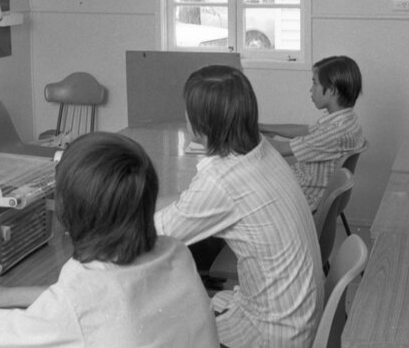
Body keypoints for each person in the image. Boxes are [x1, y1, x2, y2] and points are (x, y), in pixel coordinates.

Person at [0, 132, 219, 348]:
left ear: (69, 210)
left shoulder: (81, 292)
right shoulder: (176, 254)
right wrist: (1, 296)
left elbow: (82, 303)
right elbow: (102, 302)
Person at [155, 65, 323, 348]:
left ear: (200, 120)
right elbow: (183, 207)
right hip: (297, 317)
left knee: (156, 328)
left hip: (273, 333)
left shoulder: (221, 179)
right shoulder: (260, 149)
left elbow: (154, 233)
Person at [261, 55, 367, 210]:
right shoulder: (346, 120)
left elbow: (279, 149)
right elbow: (305, 131)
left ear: (331, 90)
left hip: (305, 199)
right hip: (306, 187)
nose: (311, 89)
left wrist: (241, 129)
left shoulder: (334, 133)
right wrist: (264, 127)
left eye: (315, 83)